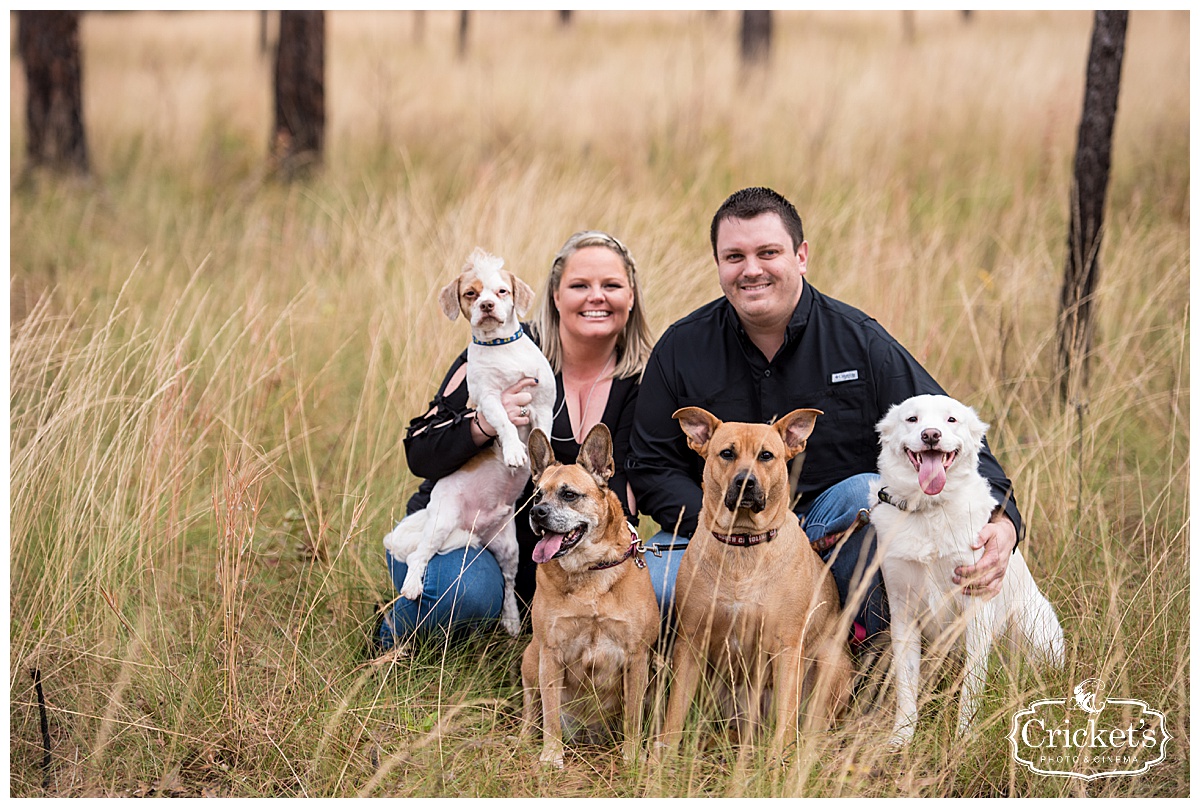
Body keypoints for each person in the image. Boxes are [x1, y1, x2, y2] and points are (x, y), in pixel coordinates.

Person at [625, 186, 1023, 654]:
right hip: (715, 532)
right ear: (718, 265)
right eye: (734, 256)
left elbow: (954, 433)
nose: (751, 269)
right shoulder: (681, 348)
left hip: (825, 533)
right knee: (653, 586)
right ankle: (702, 687)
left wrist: (1004, 523)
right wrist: (724, 526)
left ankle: (871, 669)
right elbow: (651, 467)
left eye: (767, 252)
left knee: (866, 495)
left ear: (801, 256)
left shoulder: (859, 342)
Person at [376, 230, 655, 649]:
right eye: (579, 285)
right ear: (555, 296)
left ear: (631, 297)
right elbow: (419, 449)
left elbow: (642, 480)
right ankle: (394, 639)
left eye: (611, 285)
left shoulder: (644, 378)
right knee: (468, 592)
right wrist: (487, 423)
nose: (596, 296)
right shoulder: (502, 347)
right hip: (456, 529)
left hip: (553, 551)